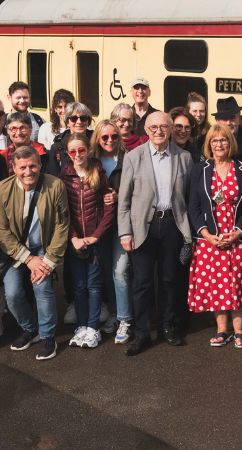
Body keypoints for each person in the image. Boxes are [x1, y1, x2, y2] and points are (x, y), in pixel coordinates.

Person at [117, 111, 194, 356]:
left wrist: (189, 233)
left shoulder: (184, 157)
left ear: (171, 129)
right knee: (142, 283)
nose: (159, 131)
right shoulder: (133, 157)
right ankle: (141, 333)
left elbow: (190, 198)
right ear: (146, 131)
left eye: (163, 127)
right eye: (153, 127)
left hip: (172, 225)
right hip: (143, 228)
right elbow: (124, 200)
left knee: (170, 280)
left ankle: (168, 327)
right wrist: (125, 232)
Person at [0, 146, 70, 361]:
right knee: (13, 294)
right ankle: (31, 328)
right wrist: (27, 258)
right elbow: (0, 230)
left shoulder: (55, 185)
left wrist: (49, 259)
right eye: (23, 167)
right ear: (14, 168)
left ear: (40, 165)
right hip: (15, 251)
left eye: (33, 165)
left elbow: (62, 225)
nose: (29, 171)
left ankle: (47, 336)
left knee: (42, 288)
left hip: (44, 248)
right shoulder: (1, 190)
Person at [186, 124, 242, 348]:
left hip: (238, 236)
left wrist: (238, 231)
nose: (219, 144)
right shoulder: (200, 169)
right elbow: (193, 206)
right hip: (211, 238)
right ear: (209, 144)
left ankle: (239, 331)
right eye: (215, 141)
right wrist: (206, 234)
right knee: (217, 284)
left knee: (237, 283)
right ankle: (221, 330)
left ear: (231, 143)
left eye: (224, 140)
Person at [58, 136, 115, 348]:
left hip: (94, 240)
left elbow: (109, 208)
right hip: (74, 241)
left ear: (88, 150)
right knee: (79, 286)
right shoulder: (64, 176)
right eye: (73, 152)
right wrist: (73, 237)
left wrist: (96, 235)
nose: (78, 155)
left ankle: (93, 328)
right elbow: (62, 211)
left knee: (93, 285)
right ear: (67, 154)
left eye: (81, 150)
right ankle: (81, 326)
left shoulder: (98, 172)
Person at [91, 120, 133, 343]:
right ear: (97, 138)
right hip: (100, 226)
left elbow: (138, 190)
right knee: (108, 272)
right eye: (104, 137)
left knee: (120, 272)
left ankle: (126, 318)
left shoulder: (129, 159)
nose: (109, 141)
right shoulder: (91, 162)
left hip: (122, 224)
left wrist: (118, 196)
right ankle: (116, 314)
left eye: (114, 137)